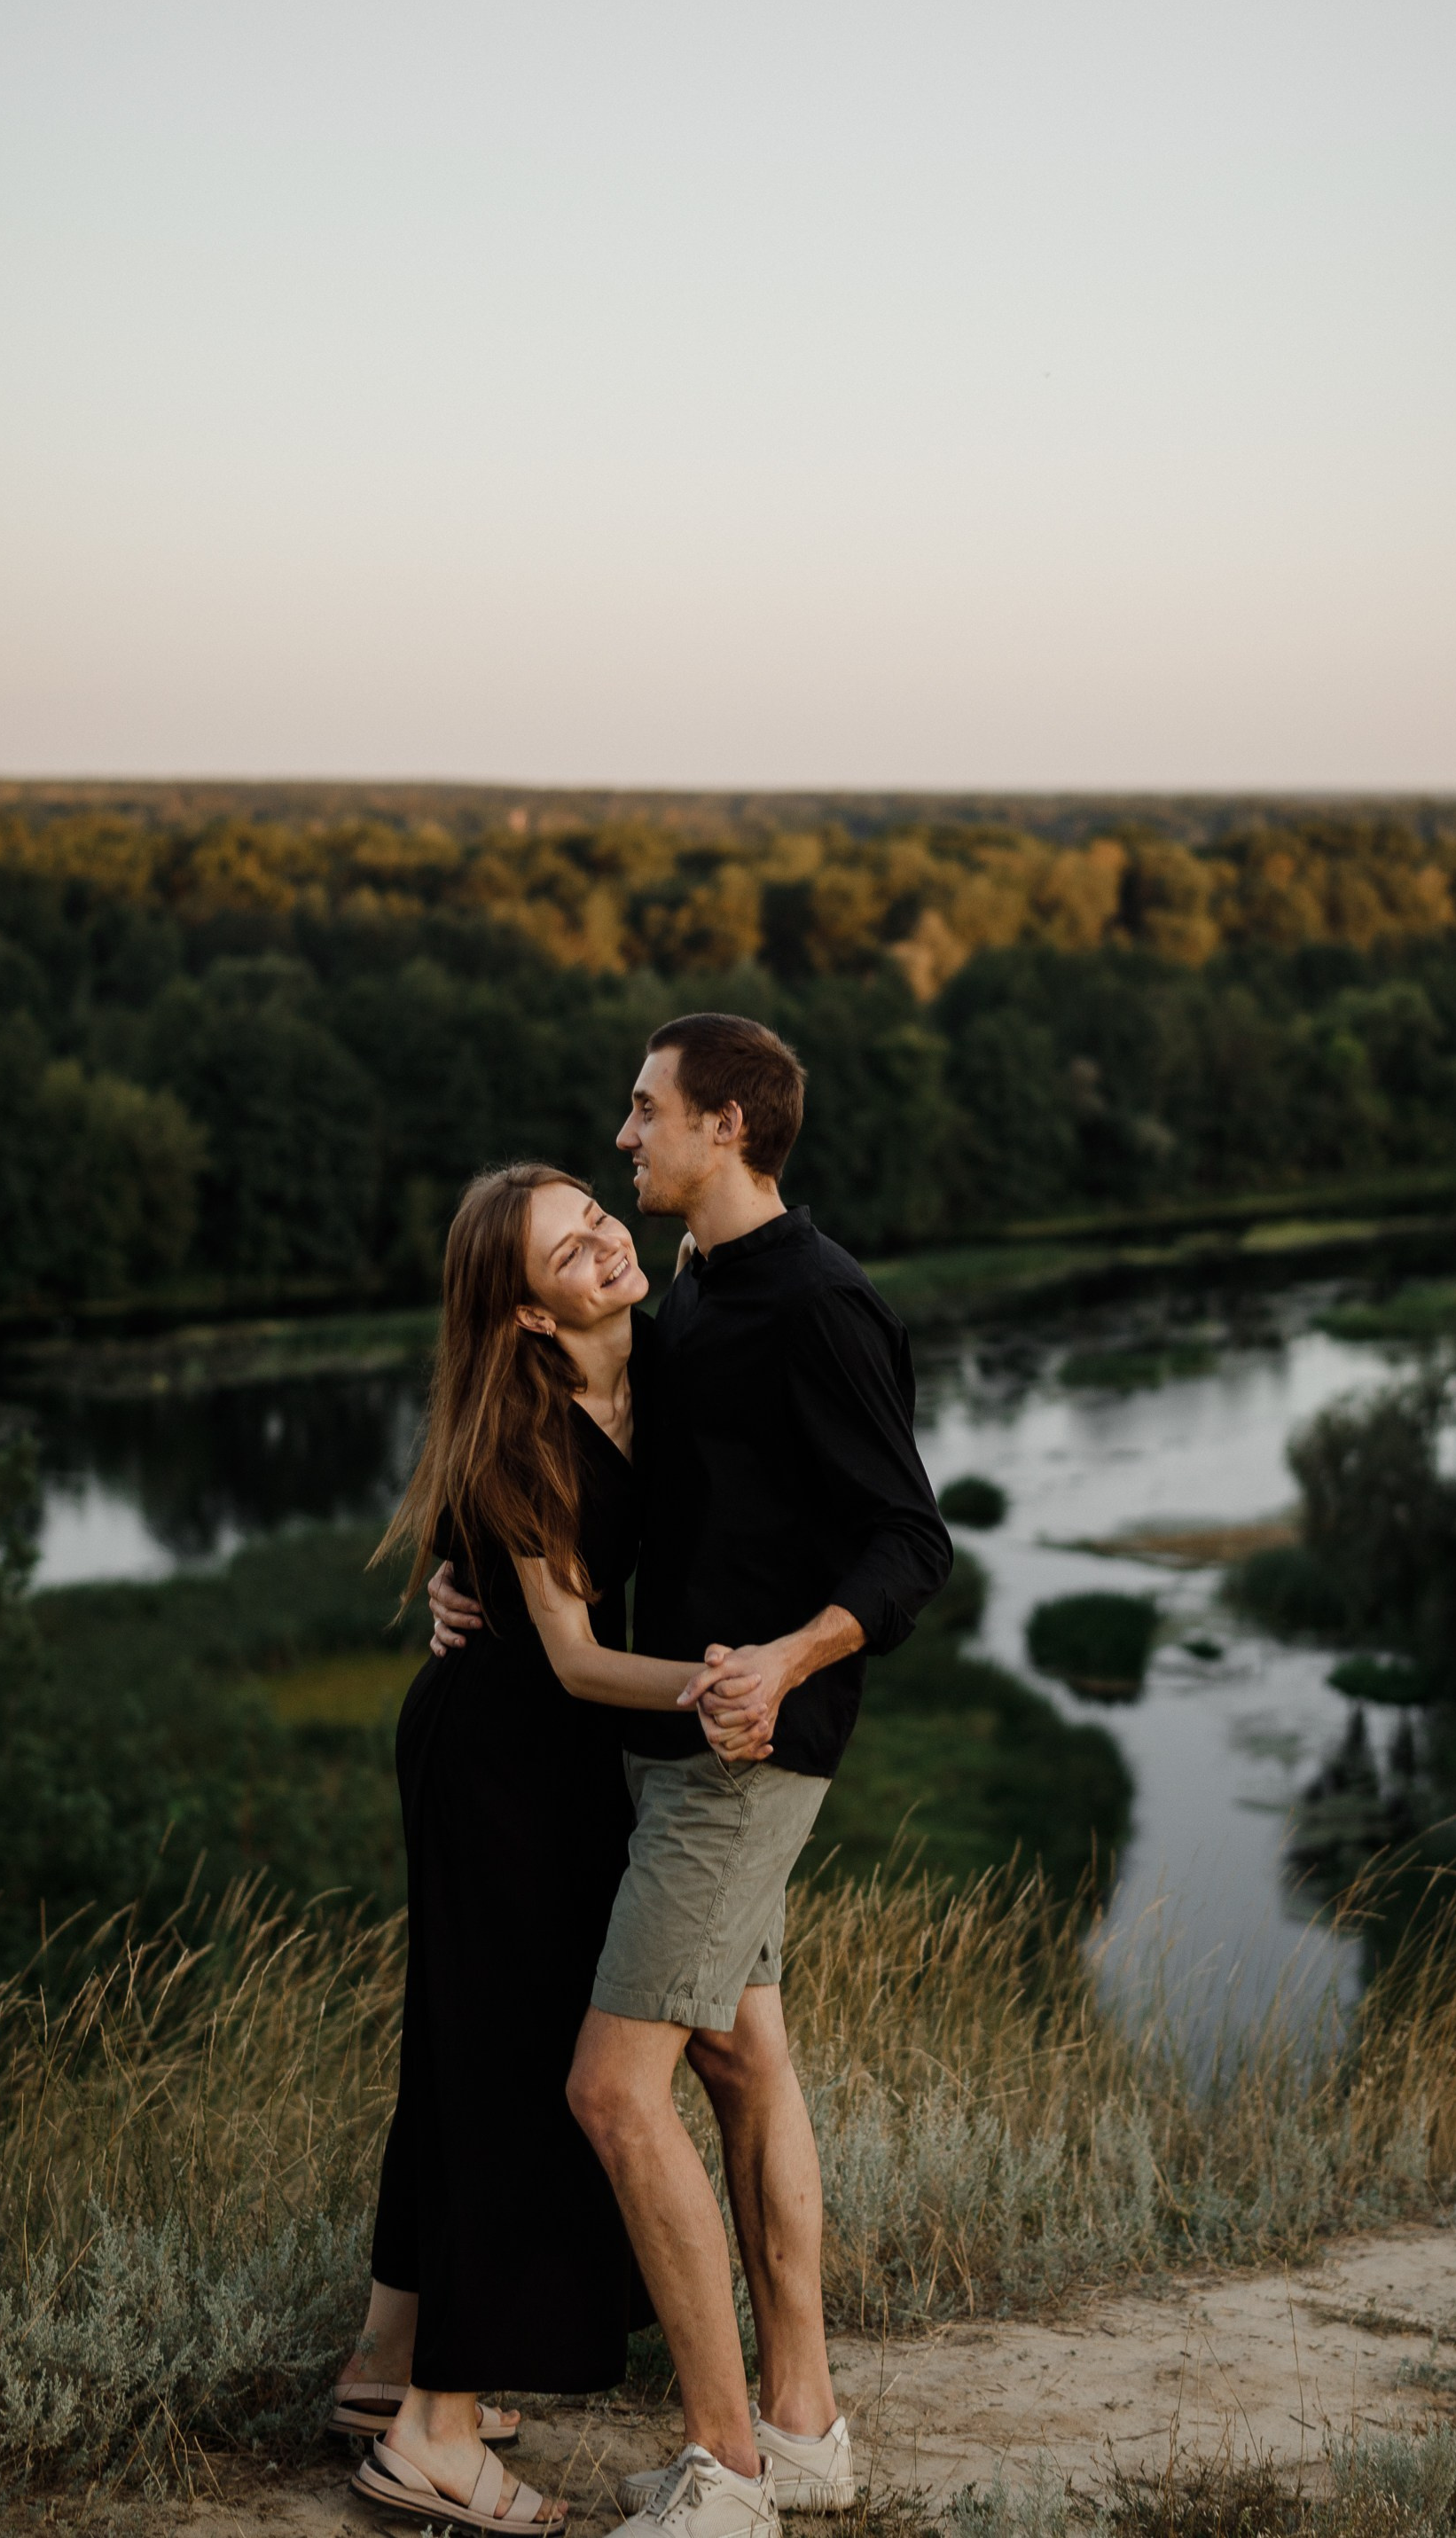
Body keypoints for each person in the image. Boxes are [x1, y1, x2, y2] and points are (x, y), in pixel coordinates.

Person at [430, 1013, 953, 2538]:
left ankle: (724, 2477)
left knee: (610, 2088)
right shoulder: (698, 1290)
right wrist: (468, 1581)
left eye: (646, 1111)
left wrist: (784, 1664)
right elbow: (581, 1454)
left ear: (724, 1125)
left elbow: (912, 1543)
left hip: (745, 1748)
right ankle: (800, 2428)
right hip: (683, 1739)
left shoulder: (819, 1304)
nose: (624, 1136)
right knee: (739, 2062)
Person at [341, 1159, 774, 2537]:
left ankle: (384, 2362)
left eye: (595, 1210)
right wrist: (726, 1689)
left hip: (564, 1759)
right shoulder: (523, 1426)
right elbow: (581, 1661)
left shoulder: (666, 1339)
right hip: (497, 1761)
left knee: (463, 2048)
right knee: (512, 2068)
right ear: (526, 1315)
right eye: (564, 1247)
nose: (601, 1239)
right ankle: (435, 2433)